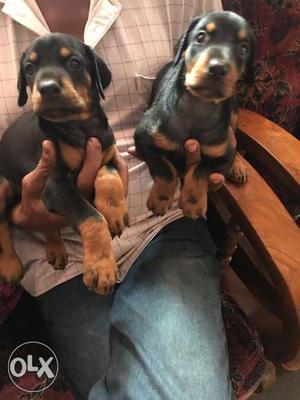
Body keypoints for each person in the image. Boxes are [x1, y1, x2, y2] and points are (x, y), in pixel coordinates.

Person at [0, 1, 235, 399]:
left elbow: (217, 101)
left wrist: (209, 149)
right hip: (57, 263)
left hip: (159, 228)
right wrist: (22, 218)